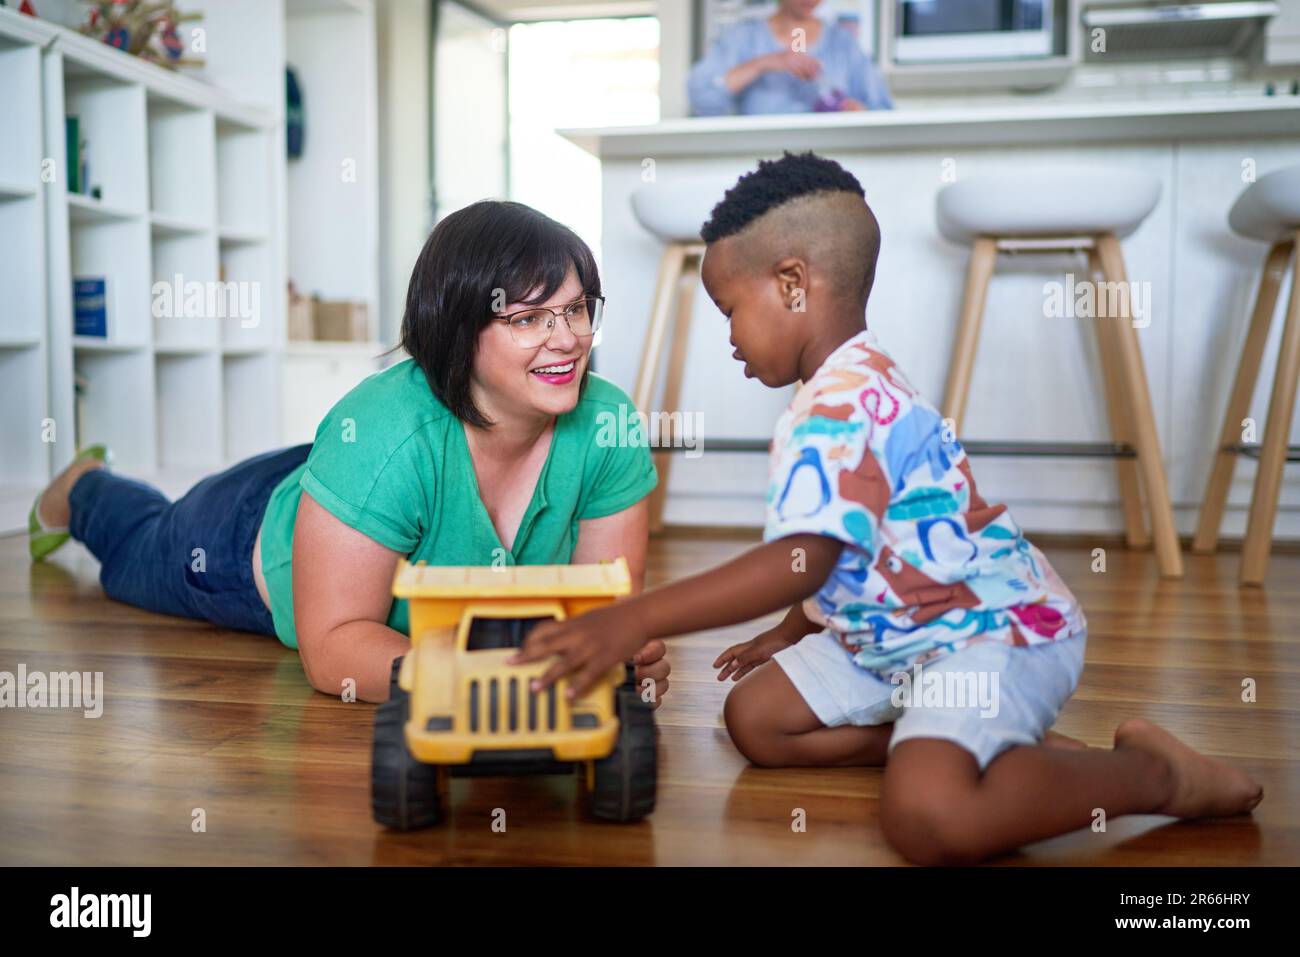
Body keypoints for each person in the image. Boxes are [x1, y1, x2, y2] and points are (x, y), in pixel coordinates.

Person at [512, 152, 1264, 865]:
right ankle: (969, 744)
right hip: (898, 641)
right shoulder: (850, 380)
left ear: (794, 284)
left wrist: (637, 616)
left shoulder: (840, 406)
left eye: (730, 308)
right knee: (755, 717)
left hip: (988, 632)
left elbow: (805, 556)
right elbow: (863, 551)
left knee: (926, 817)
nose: (730, 336)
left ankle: (1150, 776)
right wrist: (788, 631)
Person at [29, 200, 672, 706]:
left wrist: (618, 654)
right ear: (455, 328)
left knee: (373, 471)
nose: (567, 340)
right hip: (248, 539)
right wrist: (482, 680)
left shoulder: (607, 423)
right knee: (136, 546)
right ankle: (85, 484)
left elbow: (606, 611)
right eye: (530, 319)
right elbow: (334, 649)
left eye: (577, 310)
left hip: (361, 482)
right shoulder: (386, 432)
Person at [689, 0, 892, 116]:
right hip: (760, 166)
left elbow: (883, 112)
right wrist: (763, 64)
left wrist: (858, 110)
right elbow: (703, 99)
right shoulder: (744, 38)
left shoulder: (843, 44)